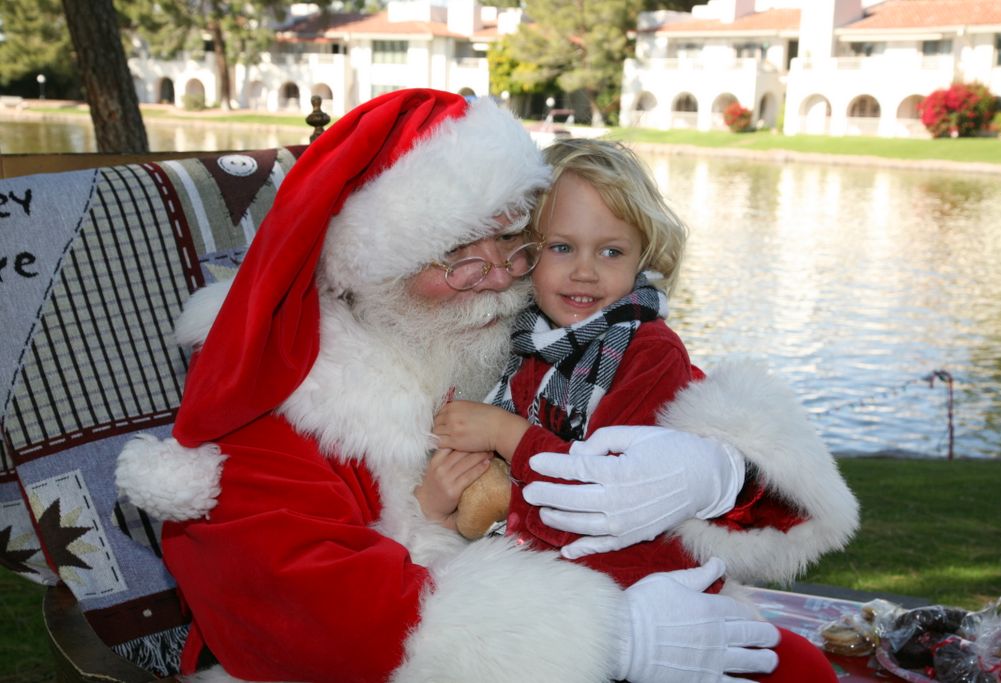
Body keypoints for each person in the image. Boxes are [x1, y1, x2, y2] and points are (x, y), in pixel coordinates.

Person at [116, 89, 859, 683]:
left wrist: (718, 472)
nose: (497, 277)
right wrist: (609, 637)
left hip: (580, 583)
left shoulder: (548, 330)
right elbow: (299, 607)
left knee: (795, 666)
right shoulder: (287, 390)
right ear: (374, 265)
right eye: (456, 255)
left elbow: (785, 515)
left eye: (511, 240)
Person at [428, 138, 838, 681]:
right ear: (527, 251)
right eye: (561, 247)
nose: (584, 272)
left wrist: (507, 433)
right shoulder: (524, 341)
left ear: (644, 256)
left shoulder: (648, 351)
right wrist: (440, 504)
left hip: (642, 595)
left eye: (611, 251)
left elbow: (604, 497)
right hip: (549, 580)